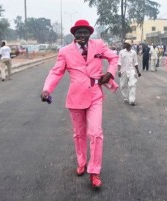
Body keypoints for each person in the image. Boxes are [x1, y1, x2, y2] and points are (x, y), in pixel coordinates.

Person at [40, 19, 118, 188]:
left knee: (96, 132)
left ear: (90, 33)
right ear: (73, 34)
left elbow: (114, 58)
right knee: (79, 134)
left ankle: (94, 170)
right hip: (75, 98)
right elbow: (56, 72)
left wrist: (110, 73)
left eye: (85, 32)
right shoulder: (65, 51)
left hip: (95, 95)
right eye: (79, 32)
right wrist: (47, 89)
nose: (82, 35)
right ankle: (81, 162)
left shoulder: (98, 45)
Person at [117, 40, 141, 106]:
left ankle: (132, 100)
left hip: (131, 71)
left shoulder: (133, 52)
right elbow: (119, 62)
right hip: (123, 71)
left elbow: (135, 63)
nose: (124, 44)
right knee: (123, 85)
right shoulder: (121, 52)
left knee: (132, 85)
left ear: (129, 45)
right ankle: (125, 97)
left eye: (125, 44)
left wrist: (138, 72)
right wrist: (119, 71)